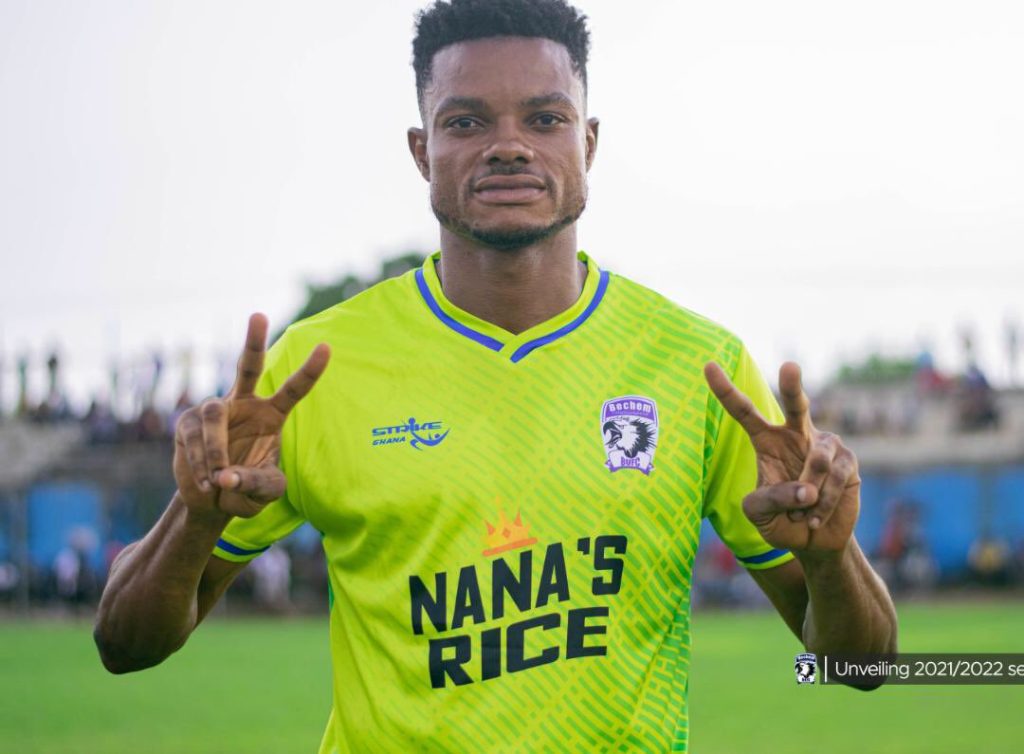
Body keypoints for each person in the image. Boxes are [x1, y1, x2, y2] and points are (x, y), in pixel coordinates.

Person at [94, 1, 898, 751]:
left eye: (545, 119)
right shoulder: (315, 369)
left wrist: (833, 559)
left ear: (588, 142)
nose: (509, 145)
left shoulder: (701, 367)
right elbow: (125, 646)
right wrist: (193, 518)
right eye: (467, 121)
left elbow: (861, 667)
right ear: (423, 151)